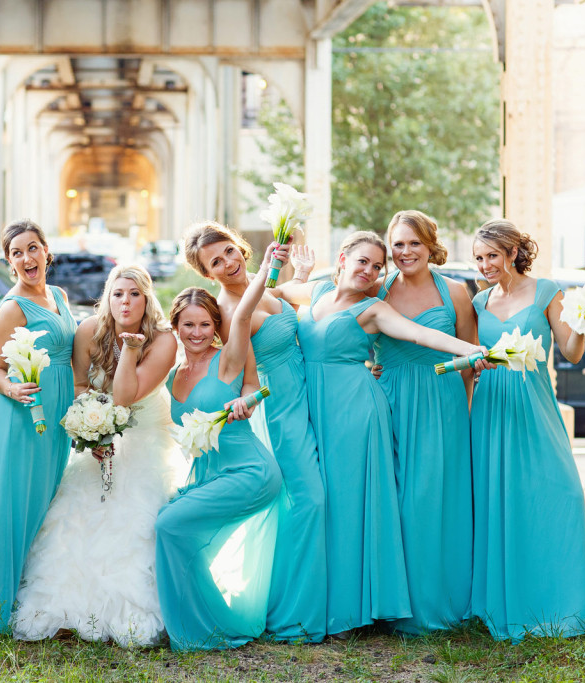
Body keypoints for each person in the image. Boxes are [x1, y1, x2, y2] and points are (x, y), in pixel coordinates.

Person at [280, 231, 484, 637]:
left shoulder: (373, 308)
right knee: (319, 499)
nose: (370, 271)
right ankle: (323, 598)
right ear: (342, 259)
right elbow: (274, 294)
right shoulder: (316, 292)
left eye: (377, 266)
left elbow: (419, 333)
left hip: (354, 410)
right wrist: (293, 270)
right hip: (313, 406)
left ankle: (351, 611)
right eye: (363, 261)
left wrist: (468, 350)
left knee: (348, 502)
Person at [14, 264, 186, 646]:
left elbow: (125, 397)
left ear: (147, 299)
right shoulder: (89, 330)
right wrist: (91, 428)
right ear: (107, 297)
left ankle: (128, 613)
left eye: (135, 294)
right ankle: (66, 609)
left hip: (144, 440)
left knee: (133, 519)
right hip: (96, 442)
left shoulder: (163, 340)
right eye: (118, 293)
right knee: (75, 516)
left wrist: (131, 349)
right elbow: (78, 382)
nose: (126, 301)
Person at [182, 221, 326, 643]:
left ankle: (314, 599)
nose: (228, 262)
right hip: (279, 408)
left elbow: (293, 299)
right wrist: (268, 268)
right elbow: (240, 369)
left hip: (309, 394)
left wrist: (300, 273)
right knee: (308, 500)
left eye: (229, 250)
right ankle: (292, 612)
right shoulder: (227, 313)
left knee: (307, 501)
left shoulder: (269, 289)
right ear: (206, 273)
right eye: (215, 261)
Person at [470, 219, 585, 642]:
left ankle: (563, 604)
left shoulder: (546, 291)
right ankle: (506, 602)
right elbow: (469, 357)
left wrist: (584, 322)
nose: (485, 265)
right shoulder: (479, 301)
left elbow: (571, 352)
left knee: (561, 493)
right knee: (502, 500)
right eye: (479, 258)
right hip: (490, 408)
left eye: (492, 255)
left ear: (513, 252)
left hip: (534, 406)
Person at [156, 245, 284, 651]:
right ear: (175, 327)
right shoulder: (172, 375)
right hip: (209, 474)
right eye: (188, 325)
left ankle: (204, 628)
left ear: (215, 326)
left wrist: (268, 268)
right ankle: (206, 618)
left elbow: (243, 321)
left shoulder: (227, 358)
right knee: (172, 527)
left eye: (205, 324)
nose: (196, 333)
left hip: (249, 472)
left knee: (169, 525)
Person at [0, 220, 78, 635]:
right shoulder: (11, 308)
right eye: (17, 252)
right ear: (9, 261)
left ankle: (34, 603)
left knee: (44, 506)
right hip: (20, 418)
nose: (27, 258)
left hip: (56, 418)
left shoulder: (59, 296)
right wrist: (12, 389)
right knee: (12, 509)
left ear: (47, 251)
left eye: (33, 248)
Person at [371, 211, 475, 635]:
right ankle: (390, 604)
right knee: (394, 498)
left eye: (414, 243)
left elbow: (470, 358)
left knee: (434, 499)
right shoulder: (376, 289)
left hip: (442, 405)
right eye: (397, 243)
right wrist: (368, 368)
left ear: (431, 246)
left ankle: (438, 601)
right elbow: (351, 338)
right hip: (388, 401)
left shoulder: (456, 293)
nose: (405, 251)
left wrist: (463, 413)